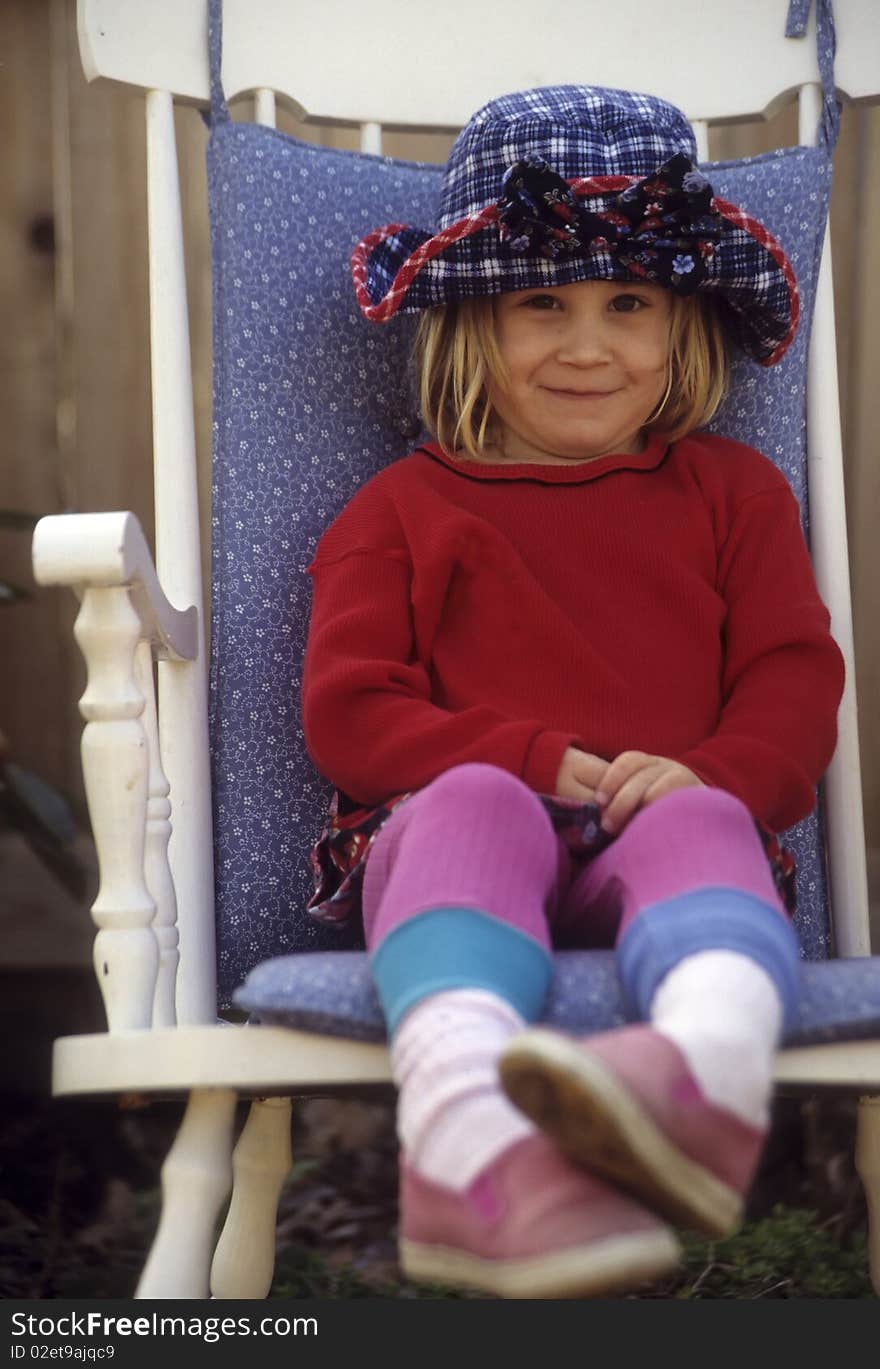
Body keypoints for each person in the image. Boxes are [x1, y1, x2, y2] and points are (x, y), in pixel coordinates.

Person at [302, 86, 845, 1298]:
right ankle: (461, 1129)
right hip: (463, 856)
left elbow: (790, 681)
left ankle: (697, 1078)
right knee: (473, 798)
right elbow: (350, 712)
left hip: (658, 852)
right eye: (540, 300)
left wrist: (708, 771)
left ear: (679, 325)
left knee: (704, 814)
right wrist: (528, 751)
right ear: (469, 325)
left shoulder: (733, 493)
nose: (587, 343)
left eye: (629, 303)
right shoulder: (398, 512)